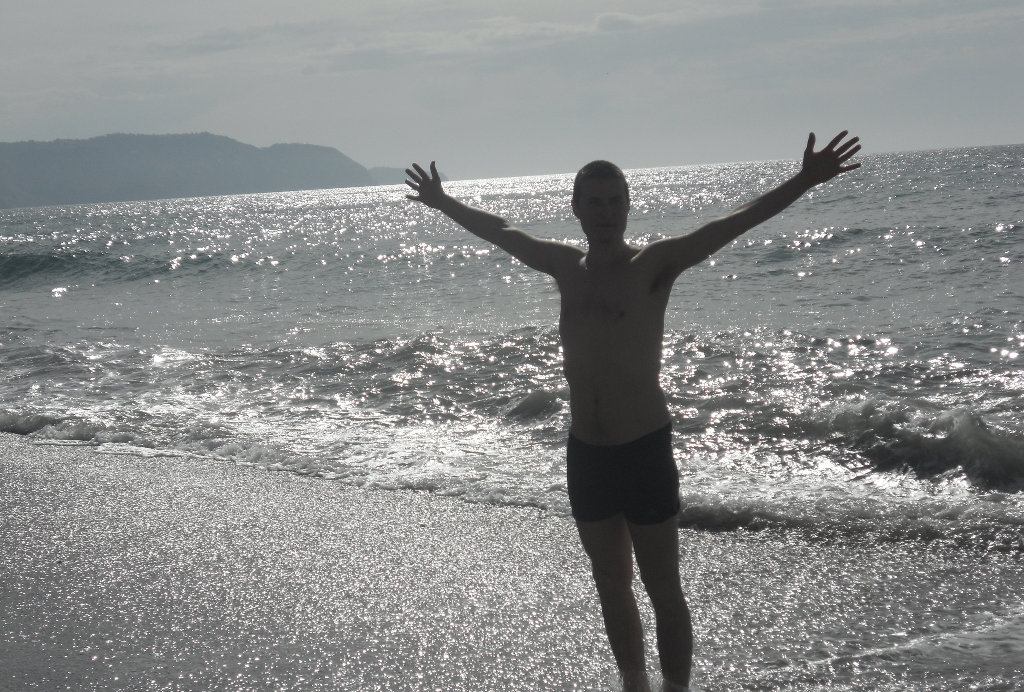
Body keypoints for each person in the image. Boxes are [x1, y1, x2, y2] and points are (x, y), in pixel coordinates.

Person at [405, 131, 861, 691]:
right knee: (610, 582)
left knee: (662, 586)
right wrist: (441, 199)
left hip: (643, 448)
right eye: (594, 202)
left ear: (628, 205)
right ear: (575, 208)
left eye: (615, 201)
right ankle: (633, 686)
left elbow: (734, 222)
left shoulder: (656, 264)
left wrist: (805, 179)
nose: (606, 213)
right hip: (587, 453)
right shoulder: (565, 267)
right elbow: (501, 231)